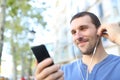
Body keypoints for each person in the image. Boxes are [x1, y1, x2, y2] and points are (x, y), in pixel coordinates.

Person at [34, 11, 120, 80]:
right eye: (73, 32)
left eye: (83, 28)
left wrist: (118, 36)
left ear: (100, 30)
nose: (78, 36)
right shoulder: (61, 72)